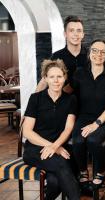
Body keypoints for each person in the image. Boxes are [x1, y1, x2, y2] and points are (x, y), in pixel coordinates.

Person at [22, 59, 79, 200]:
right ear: (45, 78)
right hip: (35, 149)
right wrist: (53, 147)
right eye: (52, 77)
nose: (56, 81)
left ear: (65, 78)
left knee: (54, 181)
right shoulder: (35, 98)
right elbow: (27, 131)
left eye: (59, 76)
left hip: (58, 146)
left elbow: (68, 128)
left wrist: (56, 146)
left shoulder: (70, 99)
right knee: (61, 164)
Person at [71, 39, 105, 191]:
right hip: (84, 117)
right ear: (89, 53)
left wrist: (96, 124)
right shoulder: (79, 73)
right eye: (95, 50)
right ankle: (83, 171)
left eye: (102, 52)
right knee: (78, 141)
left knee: (93, 140)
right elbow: (69, 93)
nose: (98, 54)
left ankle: (101, 171)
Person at [36, 15, 87, 93]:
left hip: (86, 103)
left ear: (83, 34)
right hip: (63, 103)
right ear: (65, 34)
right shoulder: (56, 56)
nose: (75, 34)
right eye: (71, 30)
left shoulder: (91, 55)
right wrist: (34, 101)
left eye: (79, 30)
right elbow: (44, 82)